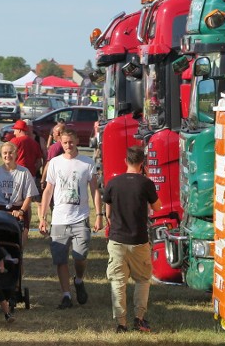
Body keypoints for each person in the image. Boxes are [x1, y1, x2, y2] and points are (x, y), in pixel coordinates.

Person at [38, 129, 103, 309]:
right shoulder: (55, 163)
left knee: (80, 256)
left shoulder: (87, 163)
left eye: (71, 142)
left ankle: (79, 279)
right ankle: (66, 295)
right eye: (65, 143)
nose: (68, 146)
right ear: (60, 142)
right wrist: (43, 217)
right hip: (59, 219)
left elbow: (94, 190)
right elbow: (48, 191)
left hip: (80, 218)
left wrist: (99, 215)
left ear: (77, 141)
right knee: (61, 260)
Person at [102, 145, 162, 333]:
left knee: (118, 282)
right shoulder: (145, 184)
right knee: (143, 279)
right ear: (142, 163)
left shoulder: (113, 183)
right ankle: (139, 318)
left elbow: (108, 212)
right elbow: (158, 207)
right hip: (139, 239)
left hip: (117, 239)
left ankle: (121, 323)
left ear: (125, 161)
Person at [0, 142, 39, 245]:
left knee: (19, 241)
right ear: (1, 154)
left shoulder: (24, 172)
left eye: (10, 153)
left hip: (18, 209)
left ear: (16, 154)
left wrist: (21, 211)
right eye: (5, 153)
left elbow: (29, 196)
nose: (7, 156)